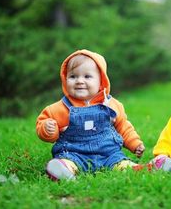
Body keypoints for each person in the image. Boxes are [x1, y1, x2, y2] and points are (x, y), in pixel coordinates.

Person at [36, 49, 145, 180]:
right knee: (67, 161)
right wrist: (48, 129)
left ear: (101, 81)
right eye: (73, 76)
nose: (79, 81)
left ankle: (133, 169)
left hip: (108, 154)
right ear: (65, 79)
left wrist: (135, 143)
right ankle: (63, 170)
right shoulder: (59, 108)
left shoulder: (111, 105)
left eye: (87, 76)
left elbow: (123, 127)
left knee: (120, 162)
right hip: (74, 154)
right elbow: (43, 125)